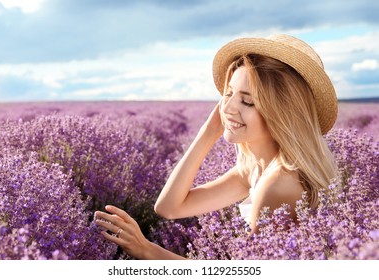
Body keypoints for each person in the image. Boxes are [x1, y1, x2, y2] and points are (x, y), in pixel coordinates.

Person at [94, 34, 338, 260]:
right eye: (228, 93)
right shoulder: (254, 168)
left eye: (248, 101)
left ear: (282, 114)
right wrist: (208, 132)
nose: (229, 107)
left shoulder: (277, 184)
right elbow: (169, 207)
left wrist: (146, 249)